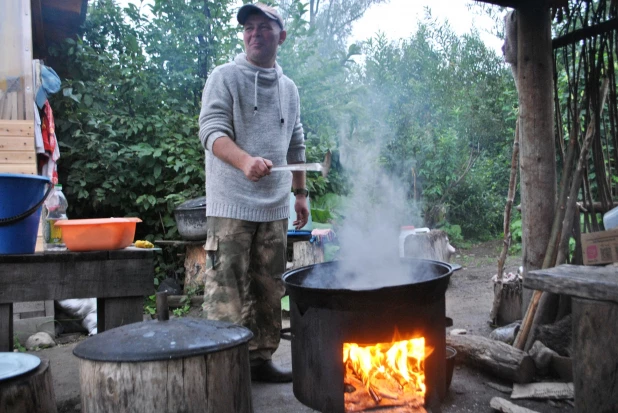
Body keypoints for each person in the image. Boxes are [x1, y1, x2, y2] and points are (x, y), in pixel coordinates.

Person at [198, 2, 309, 383]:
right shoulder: (225, 77)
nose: (254, 33)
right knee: (225, 288)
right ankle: (222, 370)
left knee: (269, 286)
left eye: (264, 27)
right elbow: (210, 131)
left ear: (281, 35)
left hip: (275, 207)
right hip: (231, 204)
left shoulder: (289, 89)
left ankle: (260, 359)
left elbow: (296, 143)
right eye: (249, 27)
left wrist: (300, 193)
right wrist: (244, 160)